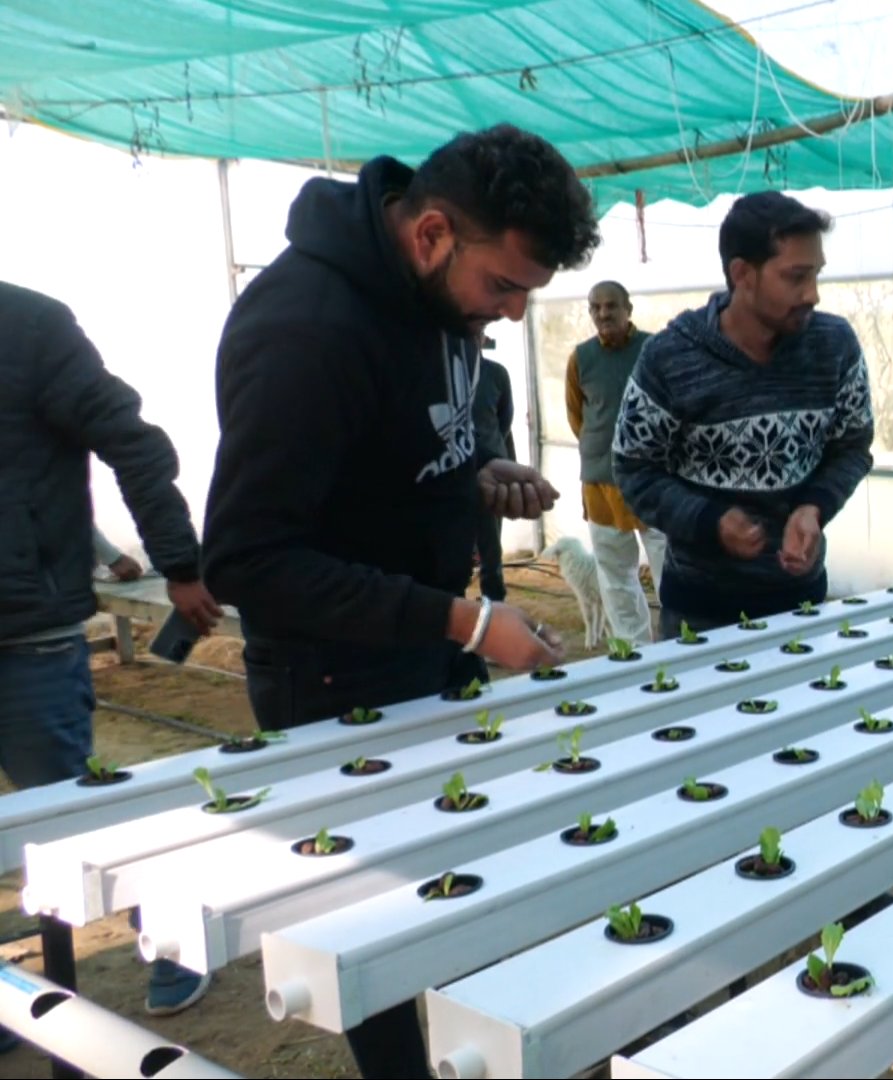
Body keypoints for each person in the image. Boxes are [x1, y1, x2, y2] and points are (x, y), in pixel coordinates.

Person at [200, 123, 598, 1078]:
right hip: (326, 673)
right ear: (429, 236)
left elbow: (390, 457)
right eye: (502, 287)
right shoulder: (303, 328)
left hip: (419, 643)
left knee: (457, 882)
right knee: (375, 929)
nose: (504, 315)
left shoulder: (435, 308)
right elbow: (247, 558)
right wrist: (465, 619)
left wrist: (473, 471)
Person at [0, 281, 224, 1020]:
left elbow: (130, 440)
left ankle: (167, 938)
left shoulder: (29, 326)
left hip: (27, 633)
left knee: (72, 814)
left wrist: (178, 564)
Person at [612, 191, 874, 633]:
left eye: (816, 275)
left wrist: (814, 507)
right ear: (742, 274)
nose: (812, 294)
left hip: (802, 604)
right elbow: (634, 469)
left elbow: (853, 448)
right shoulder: (670, 358)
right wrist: (709, 521)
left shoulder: (834, 346)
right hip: (699, 613)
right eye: (796, 277)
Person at [567, 281, 666, 642]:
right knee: (615, 577)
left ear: (629, 308)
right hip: (601, 484)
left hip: (654, 482)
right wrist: (602, 451)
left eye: (611, 306)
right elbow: (578, 418)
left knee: (670, 570)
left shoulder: (654, 349)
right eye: (595, 307)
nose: (603, 314)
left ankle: (679, 647)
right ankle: (633, 654)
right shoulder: (581, 357)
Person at [471, 337, 515, 603]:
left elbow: (503, 423)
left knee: (491, 550)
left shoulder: (496, 374)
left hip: (491, 474)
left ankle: (495, 604)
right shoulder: (435, 374)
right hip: (451, 477)